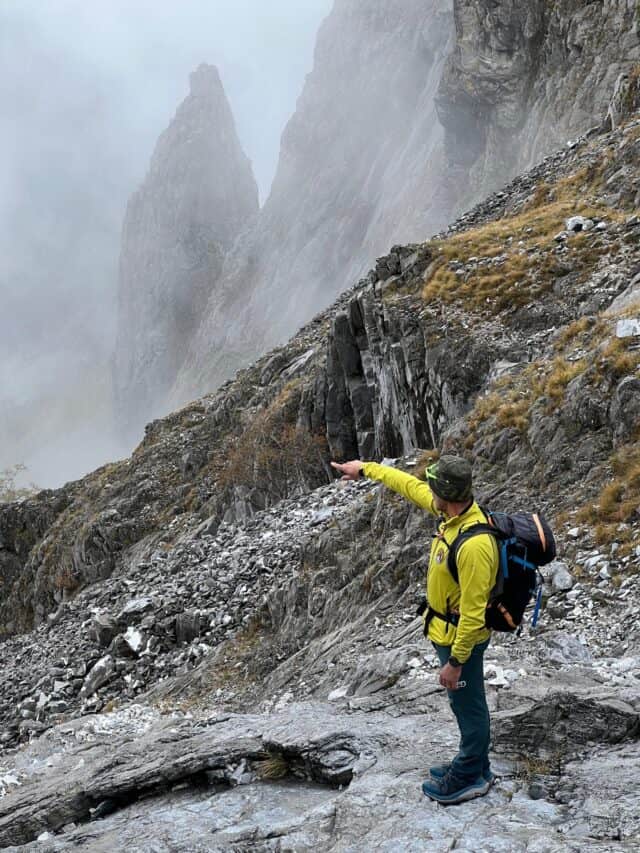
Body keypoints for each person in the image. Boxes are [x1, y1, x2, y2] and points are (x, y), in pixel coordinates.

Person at [330, 454, 498, 805]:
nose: (428, 490)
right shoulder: (451, 514)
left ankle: (471, 775)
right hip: (444, 631)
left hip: (459, 640)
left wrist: (455, 662)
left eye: (434, 486)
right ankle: (475, 764)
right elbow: (408, 485)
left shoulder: (475, 545)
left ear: (447, 494)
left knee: (468, 705)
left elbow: (472, 614)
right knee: (464, 702)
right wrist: (365, 469)